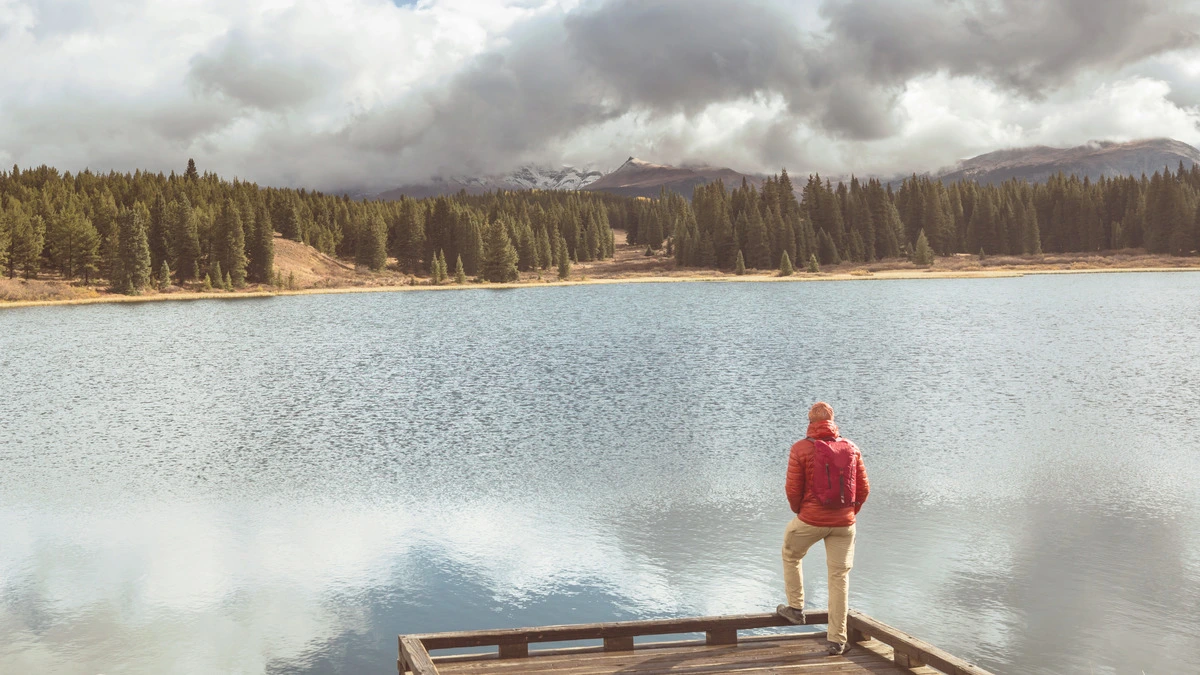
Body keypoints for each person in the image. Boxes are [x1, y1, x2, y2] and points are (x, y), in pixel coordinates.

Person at [776, 402, 869, 656]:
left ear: (810, 422)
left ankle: (795, 608)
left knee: (791, 553)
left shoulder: (801, 448)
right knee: (839, 578)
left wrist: (801, 512)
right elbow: (863, 490)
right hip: (845, 524)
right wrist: (849, 513)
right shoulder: (851, 447)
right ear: (833, 421)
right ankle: (838, 640)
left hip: (811, 520)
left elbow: (793, 490)